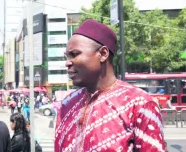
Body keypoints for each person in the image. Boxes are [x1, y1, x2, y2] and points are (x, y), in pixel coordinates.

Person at [55, 19, 166, 152]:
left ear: (103, 54)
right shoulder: (67, 104)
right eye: (66, 57)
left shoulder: (139, 104)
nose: (67, 63)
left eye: (74, 54)